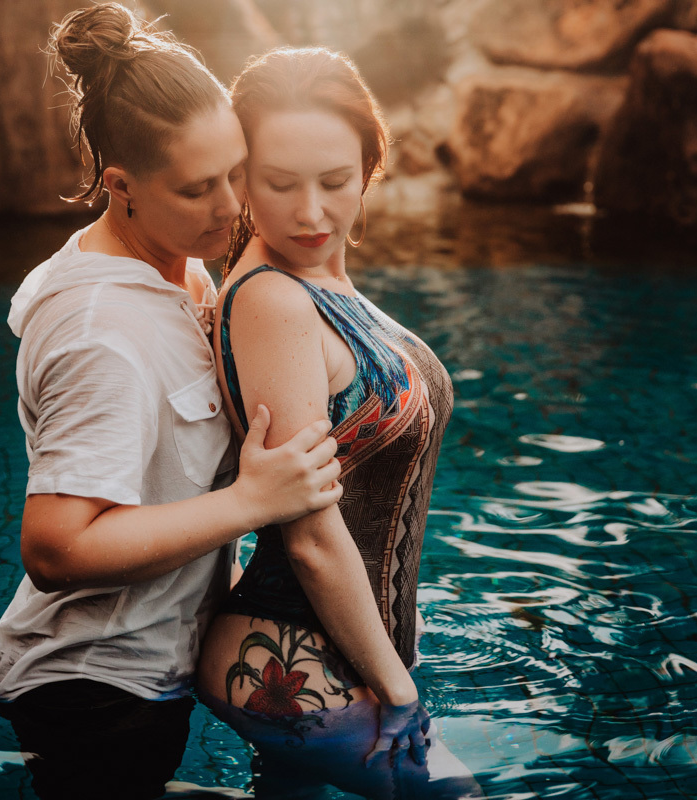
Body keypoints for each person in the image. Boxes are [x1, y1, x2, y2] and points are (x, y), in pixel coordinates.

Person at [0, 8, 343, 799]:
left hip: (154, 671)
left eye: (235, 171)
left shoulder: (179, 267)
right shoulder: (101, 334)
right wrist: (251, 503)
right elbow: (54, 550)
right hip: (92, 691)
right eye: (196, 188)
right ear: (121, 187)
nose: (230, 204)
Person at [197, 48, 481, 798]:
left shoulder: (320, 282)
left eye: (334, 182)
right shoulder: (272, 299)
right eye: (280, 183)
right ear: (241, 177)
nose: (311, 213)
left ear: (369, 167)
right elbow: (311, 535)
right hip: (290, 660)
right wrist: (399, 690)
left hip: (349, 652)